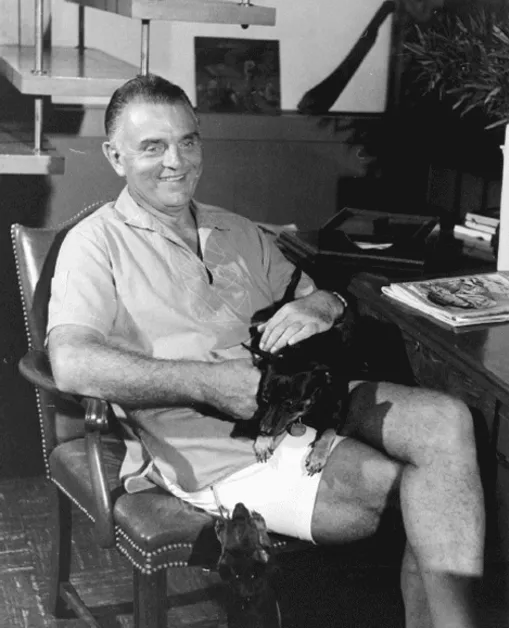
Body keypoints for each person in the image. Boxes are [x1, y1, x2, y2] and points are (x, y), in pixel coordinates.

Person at [46, 74, 485, 628]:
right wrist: (207, 383)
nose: (176, 161)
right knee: (413, 489)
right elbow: (72, 362)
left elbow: (316, 299)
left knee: (447, 421)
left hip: (304, 397)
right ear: (115, 156)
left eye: (187, 141)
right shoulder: (93, 243)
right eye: (152, 147)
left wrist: (323, 303)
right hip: (210, 442)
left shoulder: (237, 229)